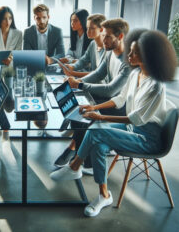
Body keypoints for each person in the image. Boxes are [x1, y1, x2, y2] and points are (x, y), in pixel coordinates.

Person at [50, 29, 177, 217]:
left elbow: (137, 118)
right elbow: (120, 98)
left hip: (148, 138)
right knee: (98, 141)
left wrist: (101, 117)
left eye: (134, 52)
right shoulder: (136, 75)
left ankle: (75, 166)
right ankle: (103, 195)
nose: (129, 55)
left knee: (95, 131)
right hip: (132, 129)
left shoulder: (156, 85)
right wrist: (95, 108)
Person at [54, 18, 131, 169]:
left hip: (119, 106)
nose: (104, 40)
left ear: (120, 37)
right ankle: (78, 151)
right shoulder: (110, 52)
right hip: (107, 97)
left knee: (82, 111)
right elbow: (97, 74)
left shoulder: (128, 62)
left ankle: (84, 159)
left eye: (108, 36)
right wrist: (76, 83)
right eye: (103, 35)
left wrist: (80, 84)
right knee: (77, 102)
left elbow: (111, 90)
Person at [0, 6, 22, 165]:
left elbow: (19, 54)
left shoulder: (18, 34)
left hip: (11, 74)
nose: (7, 21)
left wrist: (11, 60)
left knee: (9, 106)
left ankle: (6, 129)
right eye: (4, 18)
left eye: (10, 18)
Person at [61, 13, 106, 78]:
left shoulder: (107, 48)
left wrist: (73, 73)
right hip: (92, 82)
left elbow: (98, 74)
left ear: (101, 29)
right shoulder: (93, 44)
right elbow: (83, 60)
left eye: (92, 28)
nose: (88, 31)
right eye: (87, 28)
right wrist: (72, 66)